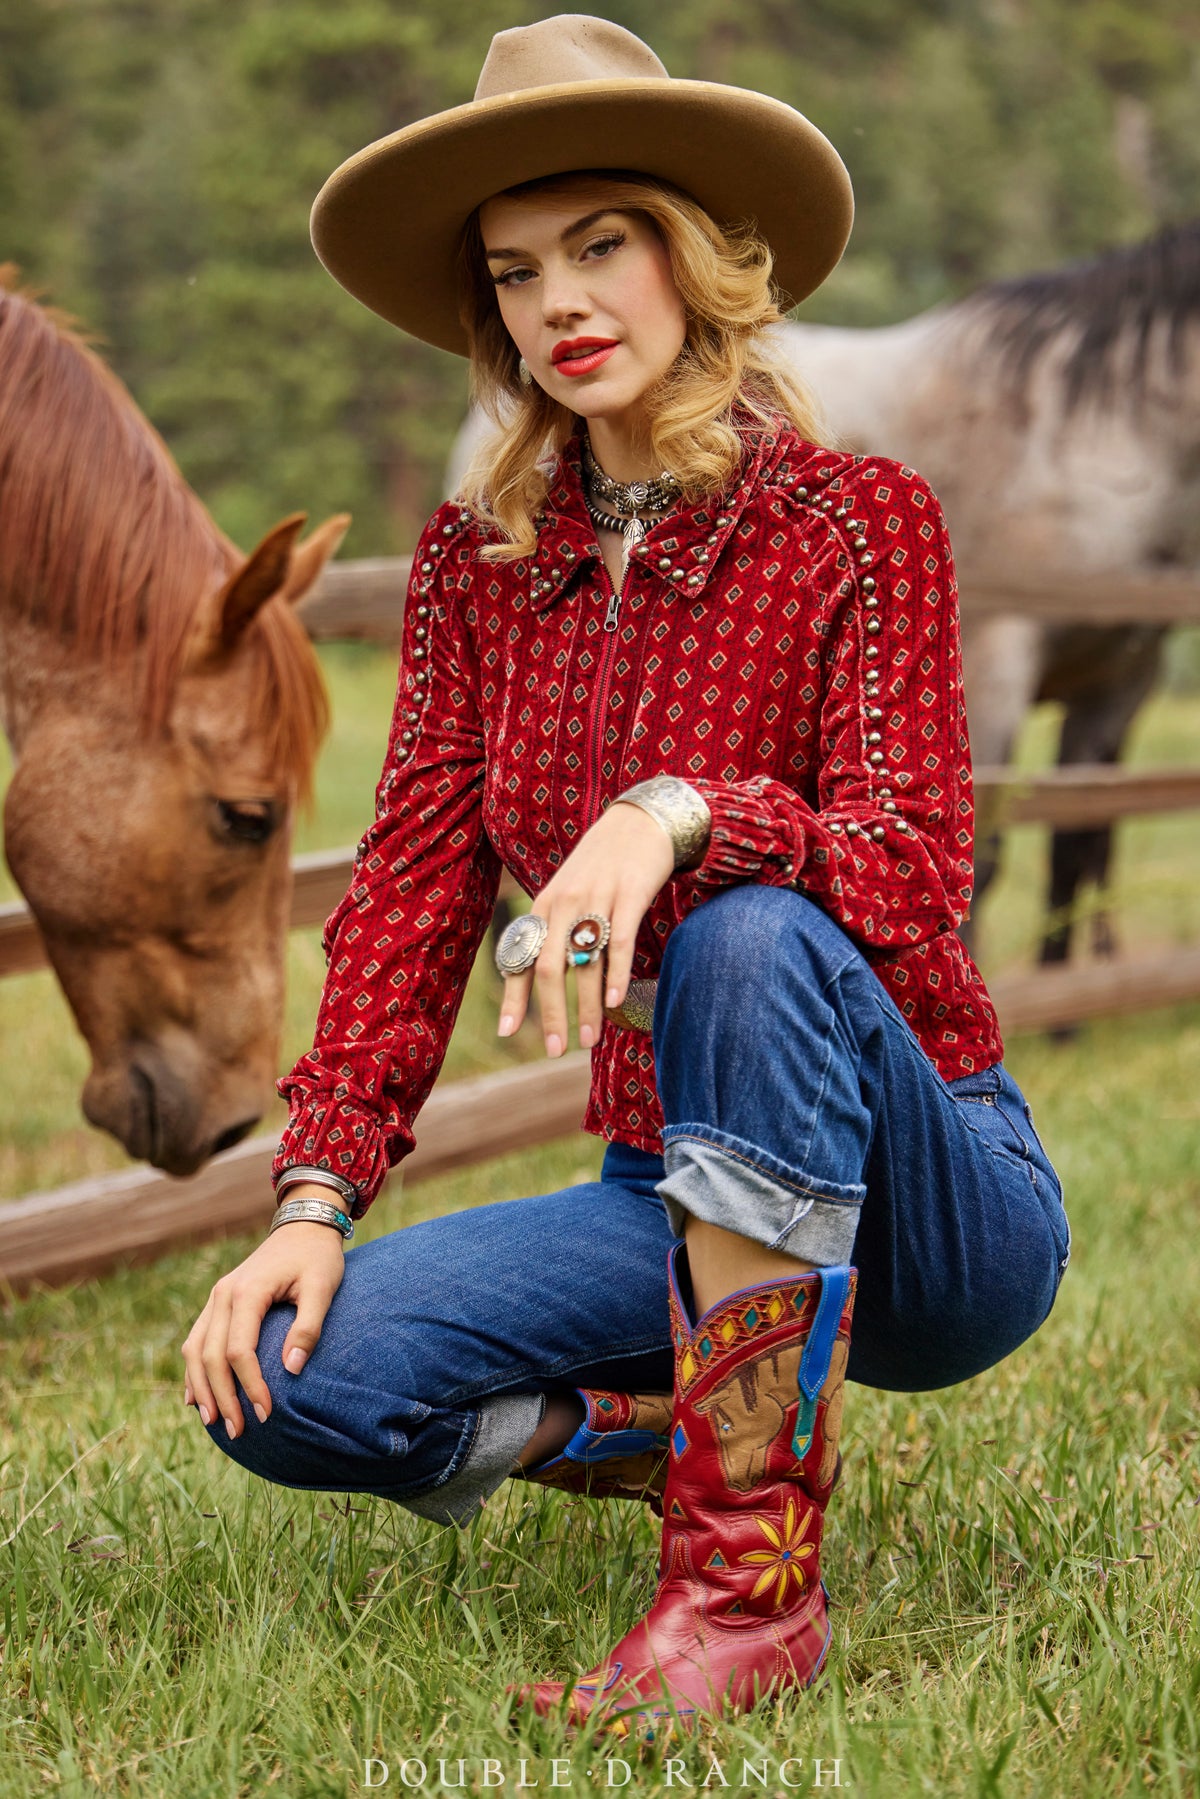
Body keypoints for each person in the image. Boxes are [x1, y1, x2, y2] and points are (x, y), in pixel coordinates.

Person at [181, 15, 1070, 1728]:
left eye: (603, 242)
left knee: (745, 932)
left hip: (936, 1188)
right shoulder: (475, 570)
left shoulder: (855, 522)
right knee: (279, 1385)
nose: (558, 302)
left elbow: (909, 869)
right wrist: (311, 1205)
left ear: (695, 254)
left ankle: (744, 1601)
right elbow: (411, 904)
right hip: (662, 1182)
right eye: (515, 271)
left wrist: (673, 811)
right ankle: (667, 1423)